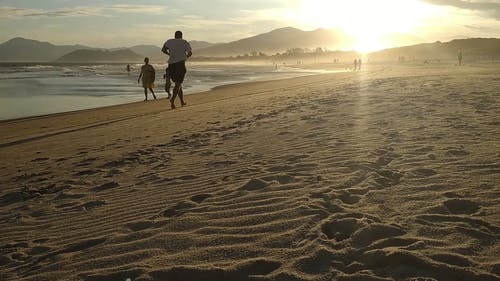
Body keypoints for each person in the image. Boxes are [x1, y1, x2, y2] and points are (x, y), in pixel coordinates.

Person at [162, 30, 192, 109]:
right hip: (180, 65)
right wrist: (185, 57)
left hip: (171, 65)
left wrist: (170, 54)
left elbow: (163, 49)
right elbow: (190, 53)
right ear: (181, 36)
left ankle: (182, 101)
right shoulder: (184, 42)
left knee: (178, 84)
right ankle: (172, 100)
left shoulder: (169, 41)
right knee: (178, 84)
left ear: (175, 35)